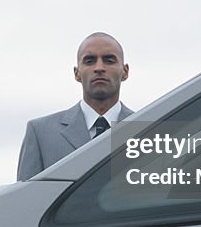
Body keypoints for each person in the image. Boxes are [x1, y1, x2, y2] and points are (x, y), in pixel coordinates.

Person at [17, 32, 134, 181]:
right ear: (77, 73)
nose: (99, 68)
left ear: (125, 72)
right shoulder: (40, 133)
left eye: (109, 60)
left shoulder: (149, 132)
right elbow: (26, 199)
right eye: (89, 61)